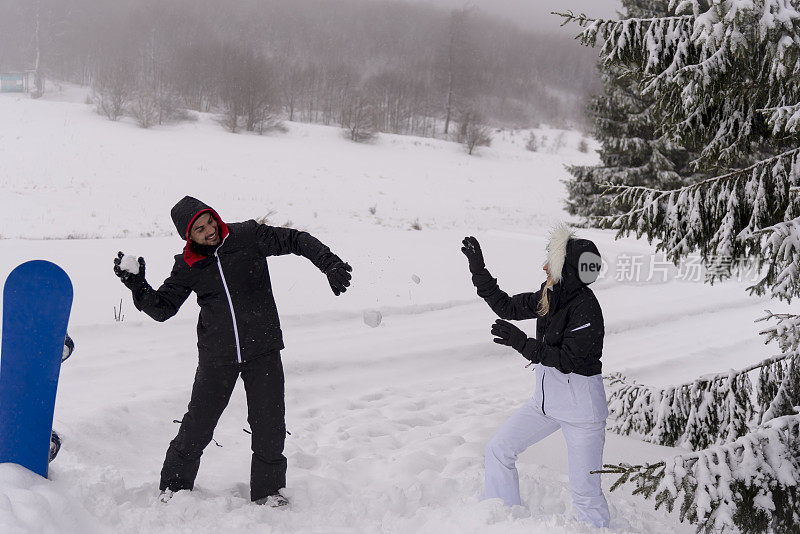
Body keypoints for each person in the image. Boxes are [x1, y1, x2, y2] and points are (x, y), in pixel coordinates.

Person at [113, 196, 352, 507]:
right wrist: (138, 286)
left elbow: (296, 239)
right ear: (189, 235)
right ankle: (173, 487)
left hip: (262, 348)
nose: (210, 229)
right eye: (200, 229)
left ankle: (269, 493)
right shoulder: (187, 265)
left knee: (269, 424)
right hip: (217, 356)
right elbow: (164, 309)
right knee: (198, 424)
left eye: (210, 220)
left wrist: (329, 263)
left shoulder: (246, 236)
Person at [461, 224, 610, 528]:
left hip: (582, 413)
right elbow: (506, 306)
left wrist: (522, 343)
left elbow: (567, 360)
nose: (544, 266)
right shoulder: (550, 295)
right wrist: (479, 269)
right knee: (498, 449)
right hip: (545, 403)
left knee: (586, 494)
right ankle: (503, 518)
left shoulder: (586, 308)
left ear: (567, 270)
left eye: (551, 263)